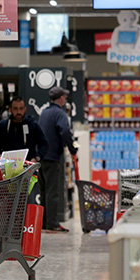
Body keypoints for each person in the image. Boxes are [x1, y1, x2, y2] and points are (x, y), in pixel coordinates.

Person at [37, 86, 78, 233]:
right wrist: (73, 149)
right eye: (64, 97)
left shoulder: (44, 113)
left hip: (41, 158)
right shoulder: (60, 113)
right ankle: (53, 223)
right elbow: (65, 131)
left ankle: (43, 222)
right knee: (52, 192)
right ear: (60, 98)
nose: (65, 100)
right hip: (53, 157)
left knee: (43, 191)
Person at [0, 96, 49, 162]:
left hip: (28, 165)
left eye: (21, 108)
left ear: (25, 109)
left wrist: (37, 157)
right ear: (10, 110)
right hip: (6, 165)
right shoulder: (2, 126)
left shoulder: (32, 124)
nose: (18, 112)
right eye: (15, 109)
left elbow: (44, 144)